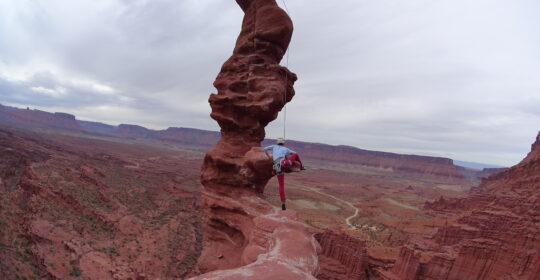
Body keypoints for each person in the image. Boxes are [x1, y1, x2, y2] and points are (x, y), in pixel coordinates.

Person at [264, 138, 305, 210]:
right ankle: (301, 166)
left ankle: (283, 203)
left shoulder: (273, 146)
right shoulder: (285, 149)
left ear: (277, 143)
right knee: (296, 154)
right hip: (284, 163)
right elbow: (294, 153)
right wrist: (286, 155)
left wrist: (269, 157)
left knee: (281, 186)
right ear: (283, 143)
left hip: (277, 167)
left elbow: (264, 149)